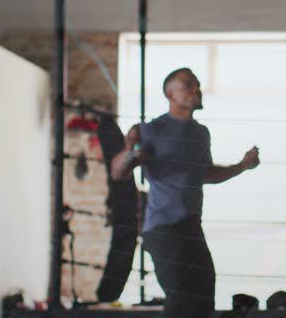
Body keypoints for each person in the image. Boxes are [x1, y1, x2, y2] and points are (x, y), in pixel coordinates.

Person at [111, 67, 260, 318]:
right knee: (181, 299)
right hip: (163, 228)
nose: (196, 90)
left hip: (191, 228)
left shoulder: (200, 133)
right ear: (170, 93)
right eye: (188, 85)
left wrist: (242, 166)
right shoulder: (150, 130)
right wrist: (130, 152)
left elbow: (206, 175)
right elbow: (118, 172)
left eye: (198, 85)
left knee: (203, 300)